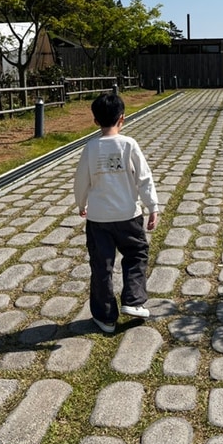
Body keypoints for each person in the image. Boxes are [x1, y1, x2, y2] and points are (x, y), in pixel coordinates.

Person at [73, 92, 158, 333]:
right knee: (136, 254)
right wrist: (152, 206)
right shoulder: (129, 144)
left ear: (96, 121)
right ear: (122, 118)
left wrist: (81, 203)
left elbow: (81, 180)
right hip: (129, 215)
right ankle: (133, 300)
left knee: (102, 265)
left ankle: (105, 316)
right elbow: (144, 177)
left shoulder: (90, 147)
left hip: (98, 218)